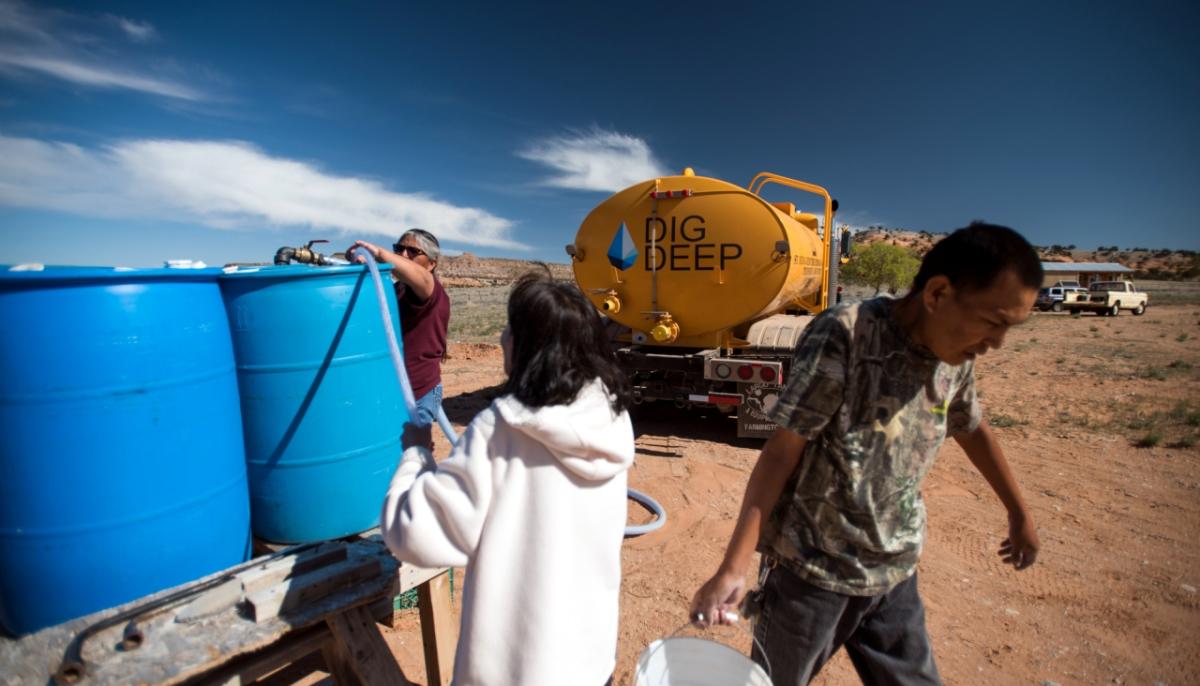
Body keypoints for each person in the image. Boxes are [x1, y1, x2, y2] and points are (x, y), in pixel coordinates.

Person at [690, 223, 1043, 685]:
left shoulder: (956, 356)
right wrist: (734, 566)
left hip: (893, 573)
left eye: (1010, 329)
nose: (997, 343)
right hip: (811, 575)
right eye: (994, 322)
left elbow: (970, 426)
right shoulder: (848, 334)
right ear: (937, 293)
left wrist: (1019, 512)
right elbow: (780, 452)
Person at [379, 273, 634, 686]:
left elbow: (416, 534)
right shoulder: (610, 416)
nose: (501, 336)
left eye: (510, 327)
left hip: (517, 671)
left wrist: (415, 454)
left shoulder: (501, 430)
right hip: (588, 662)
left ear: (527, 346)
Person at [348, 229, 449, 449]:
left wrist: (380, 253)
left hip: (420, 393)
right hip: (392, 390)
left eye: (413, 251)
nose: (403, 254)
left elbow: (419, 276)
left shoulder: (430, 288)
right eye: (399, 248)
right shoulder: (397, 290)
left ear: (431, 264)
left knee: (413, 456)